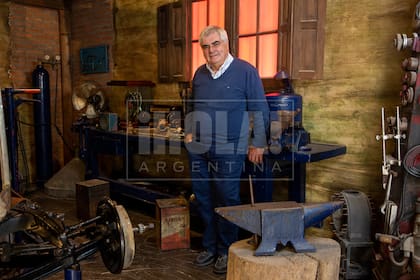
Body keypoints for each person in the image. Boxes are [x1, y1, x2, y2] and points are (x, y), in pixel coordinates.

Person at [184, 25, 269, 274]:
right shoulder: (199, 74)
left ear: (226, 44)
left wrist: (258, 143)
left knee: (227, 199)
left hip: (229, 148)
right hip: (199, 147)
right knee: (203, 197)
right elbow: (192, 105)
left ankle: (226, 250)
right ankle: (209, 247)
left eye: (215, 44)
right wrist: (189, 131)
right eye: (206, 46)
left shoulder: (245, 72)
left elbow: (260, 109)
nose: (211, 50)